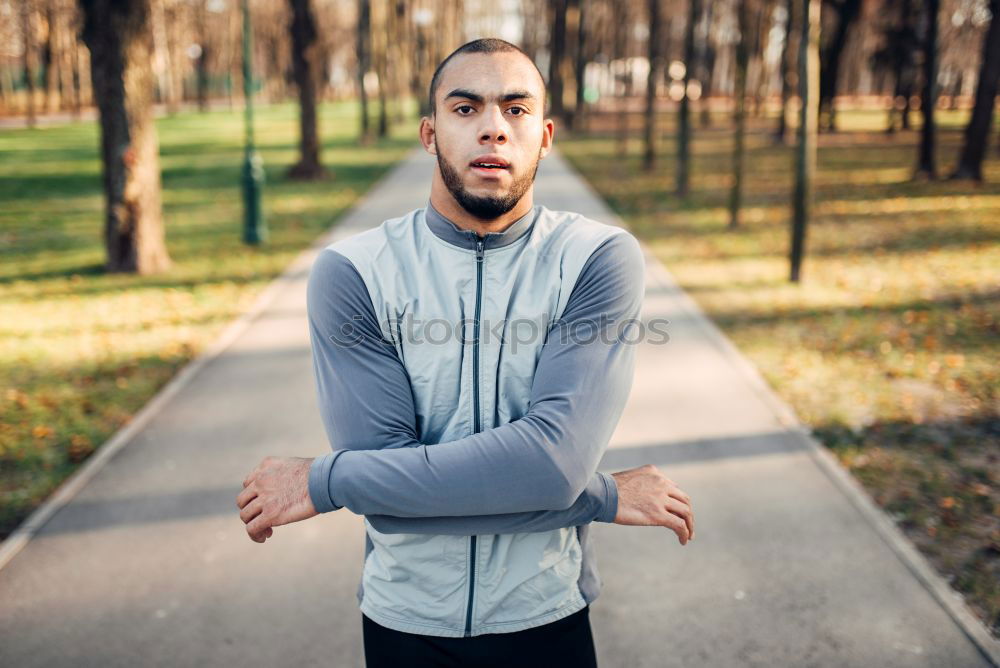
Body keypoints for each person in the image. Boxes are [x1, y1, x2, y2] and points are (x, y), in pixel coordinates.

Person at [236, 37, 695, 668]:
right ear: (429, 134)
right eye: (465, 109)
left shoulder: (596, 259)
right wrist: (603, 496)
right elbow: (389, 503)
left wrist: (328, 481)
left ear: (546, 135)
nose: (493, 129)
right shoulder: (354, 273)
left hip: (547, 615)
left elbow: (550, 468)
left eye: (515, 109)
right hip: (405, 624)